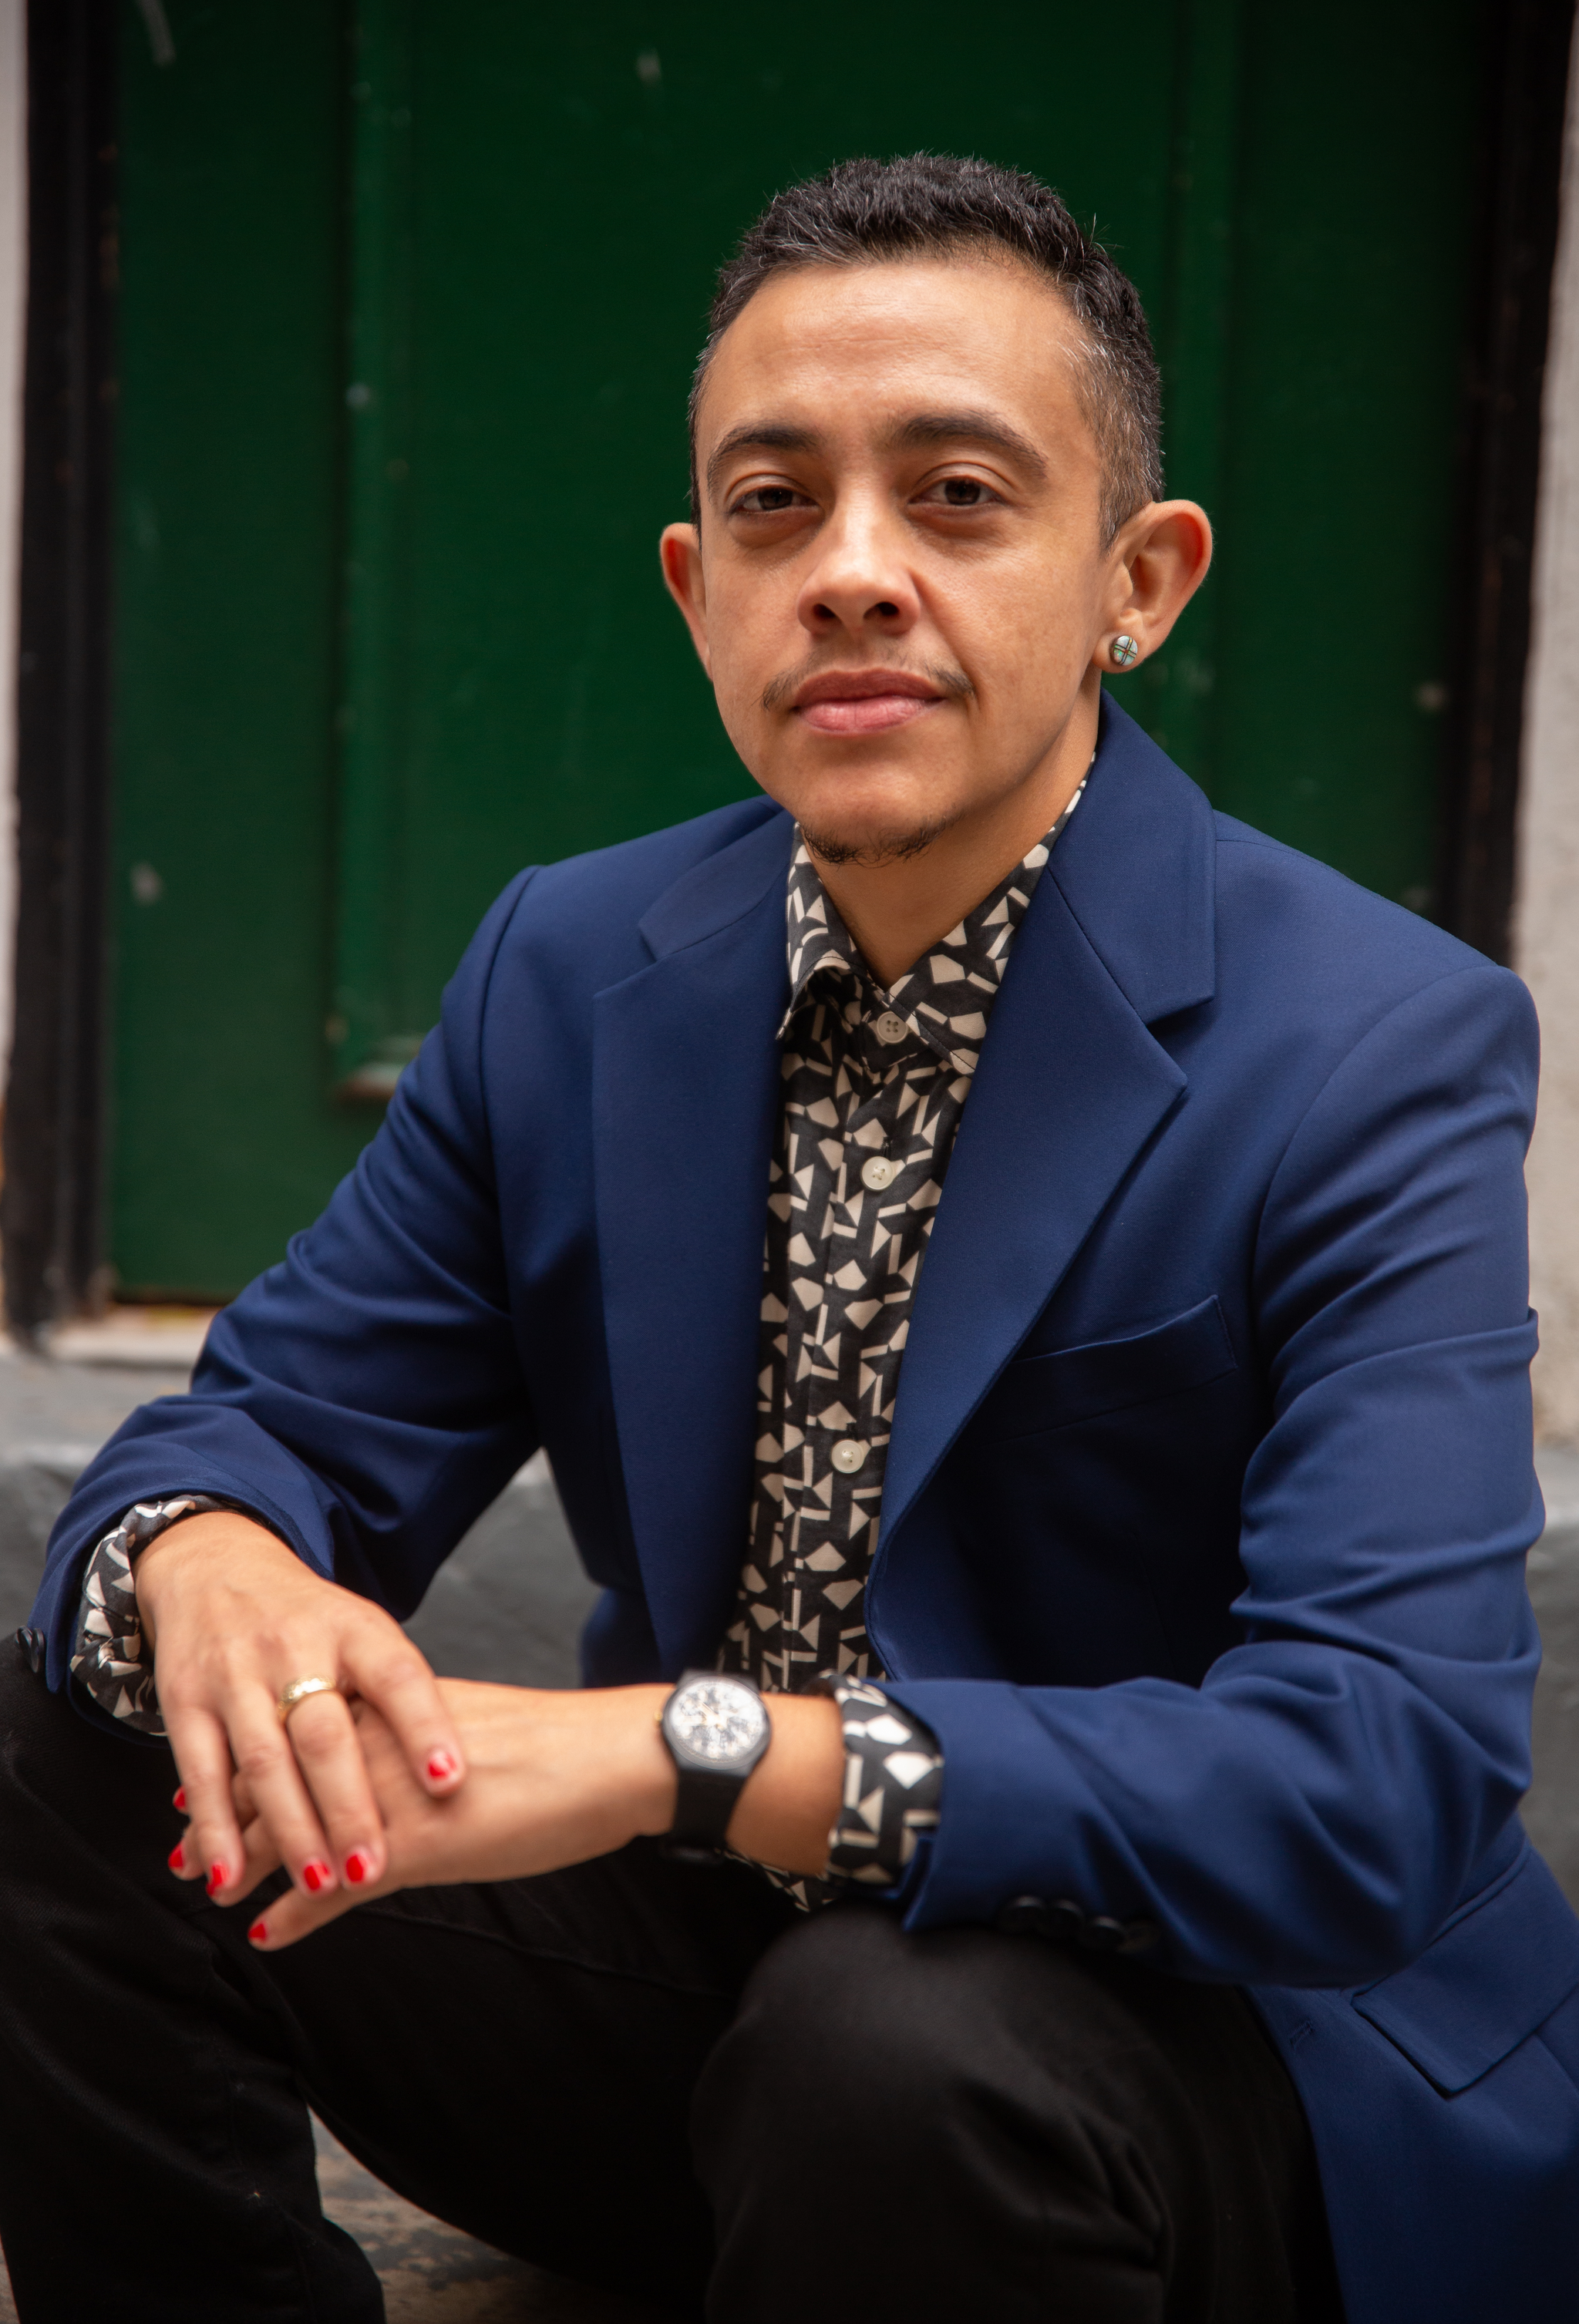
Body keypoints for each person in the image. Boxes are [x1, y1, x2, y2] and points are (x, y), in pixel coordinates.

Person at [0, 153, 1572, 2324]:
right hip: (730, 2027)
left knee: (883, 2046)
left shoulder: (1375, 1040)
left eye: (953, 496)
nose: (850, 573)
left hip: (1212, 2067)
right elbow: (271, 1420)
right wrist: (209, 1558)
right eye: (774, 505)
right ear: (692, 586)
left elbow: (1373, 1781)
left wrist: (683, 1746)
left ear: (1142, 576)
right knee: (98, 1711)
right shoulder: (578, 969)